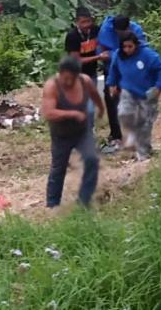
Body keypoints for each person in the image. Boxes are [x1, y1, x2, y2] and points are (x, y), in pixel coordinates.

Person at [41, 56, 105, 208]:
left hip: (82, 131)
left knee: (92, 160)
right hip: (61, 134)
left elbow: (95, 95)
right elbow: (48, 113)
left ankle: (84, 200)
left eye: (72, 79)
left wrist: (101, 108)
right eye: (66, 78)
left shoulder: (85, 81)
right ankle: (52, 205)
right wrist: (72, 114)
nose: (69, 82)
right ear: (60, 73)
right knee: (58, 168)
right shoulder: (52, 86)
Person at [106, 31, 161, 162]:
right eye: (125, 47)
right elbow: (113, 70)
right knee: (124, 113)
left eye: (130, 46)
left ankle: (143, 152)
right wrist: (112, 84)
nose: (127, 50)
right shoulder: (118, 55)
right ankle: (132, 135)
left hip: (148, 93)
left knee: (144, 124)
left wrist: (159, 86)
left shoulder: (148, 55)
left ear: (136, 45)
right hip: (128, 90)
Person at [97, 14, 148, 148]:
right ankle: (116, 135)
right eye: (118, 32)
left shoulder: (136, 30)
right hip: (112, 68)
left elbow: (142, 49)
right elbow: (103, 50)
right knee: (112, 100)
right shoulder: (106, 30)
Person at [64, 7, 109, 133]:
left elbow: (102, 44)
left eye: (89, 21)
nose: (87, 25)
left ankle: (87, 129)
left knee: (89, 104)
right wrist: (99, 57)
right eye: (83, 22)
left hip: (91, 73)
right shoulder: (73, 36)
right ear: (77, 22)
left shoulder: (95, 30)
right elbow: (76, 60)